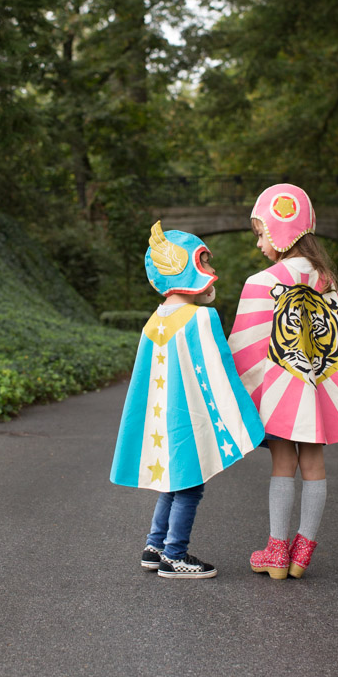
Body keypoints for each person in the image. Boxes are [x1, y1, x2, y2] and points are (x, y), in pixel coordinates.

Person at [228, 183, 338, 579]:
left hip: (282, 392)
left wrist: (239, 395)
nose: (259, 244)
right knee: (313, 462)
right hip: (314, 391)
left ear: (279, 230)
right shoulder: (326, 279)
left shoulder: (262, 281)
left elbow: (244, 347)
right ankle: (302, 554)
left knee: (283, 460)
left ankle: (276, 552)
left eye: (261, 233)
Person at [110, 221, 265, 579]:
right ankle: (175, 554)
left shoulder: (154, 321)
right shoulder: (200, 318)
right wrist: (242, 419)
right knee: (189, 487)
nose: (213, 272)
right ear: (186, 267)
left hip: (162, 424)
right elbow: (220, 370)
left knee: (172, 482)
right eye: (206, 262)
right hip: (190, 422)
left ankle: (155, 545)